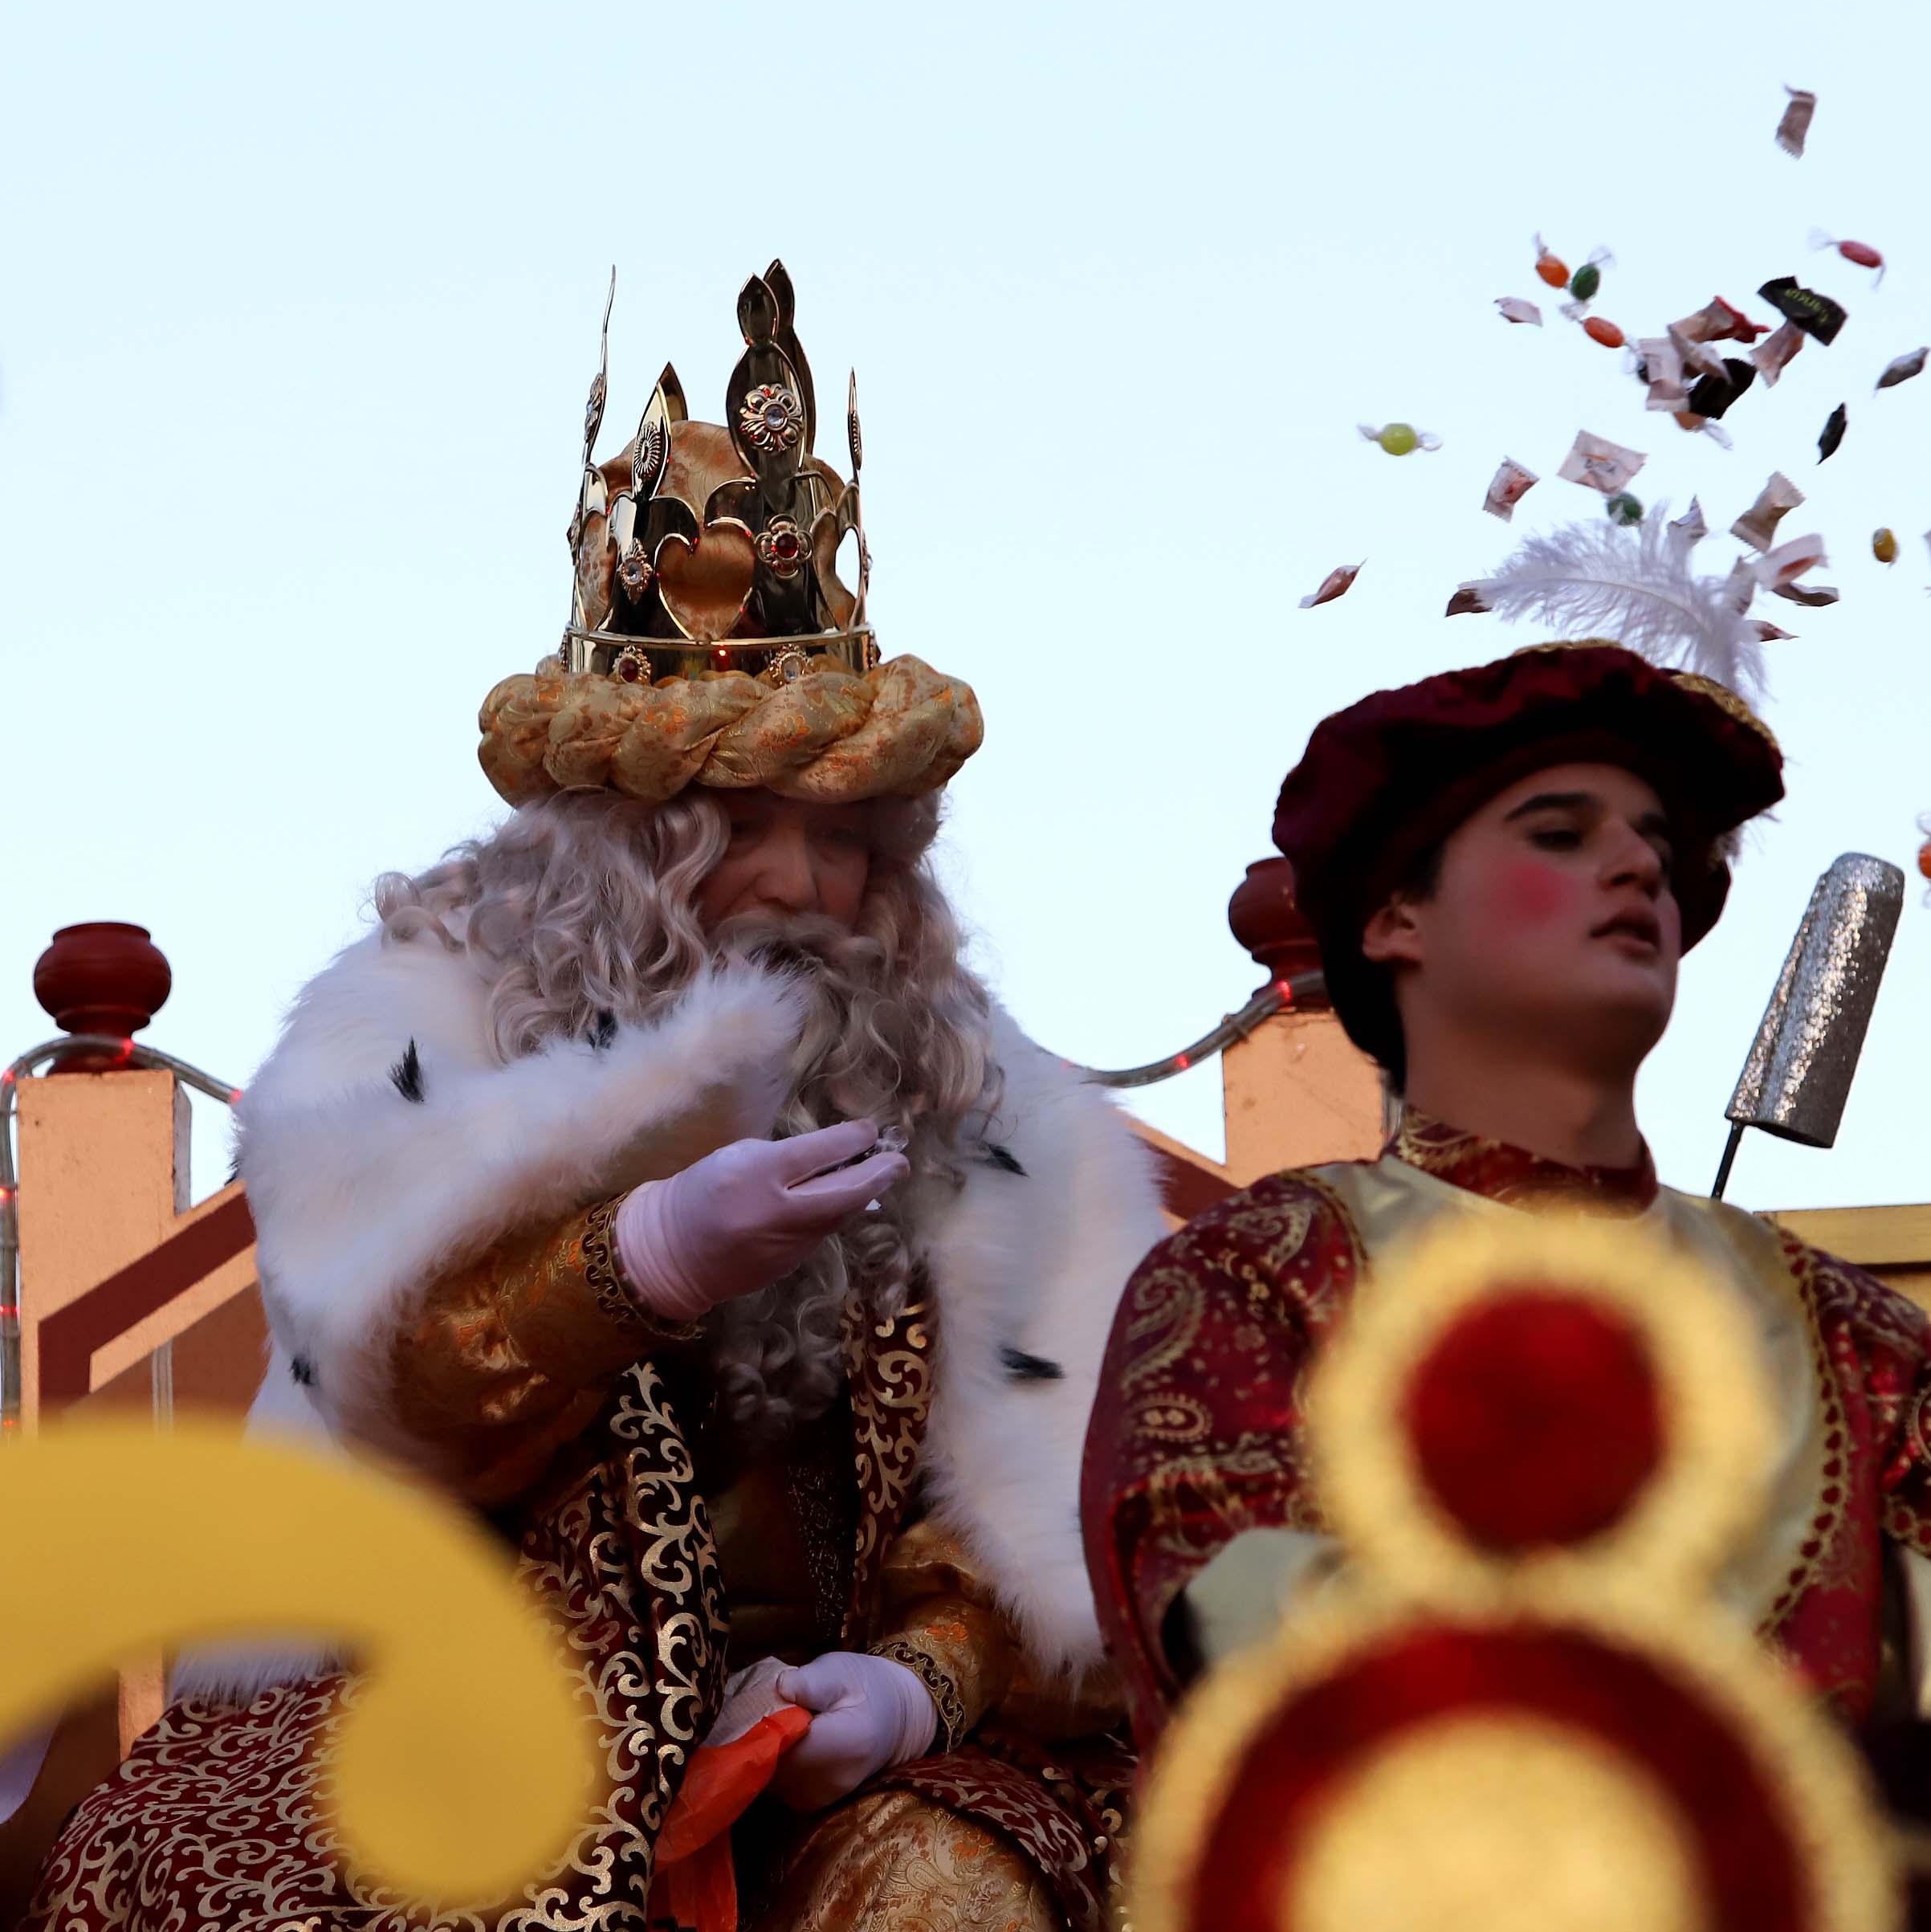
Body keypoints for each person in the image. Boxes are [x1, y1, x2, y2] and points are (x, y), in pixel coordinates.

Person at [31, 267, 1162, 1932]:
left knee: (958, 1887)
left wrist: (916, 1680)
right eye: (737, 827)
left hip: (838, 1739)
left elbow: (1066, 1486)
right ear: (618, 848)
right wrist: (637, 1259)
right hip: (413, 1681)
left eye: (848, 844)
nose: (800, 887)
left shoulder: (996, 1120)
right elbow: (387, 1379)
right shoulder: (418, 1035)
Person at [1082, 558, 1931, 1755]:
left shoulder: (1838, 1330)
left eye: (1655, 844)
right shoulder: (1259, 1274)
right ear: (1397, 920)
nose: (1639, 866)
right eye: (1560, 833)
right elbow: (1254, 1639)